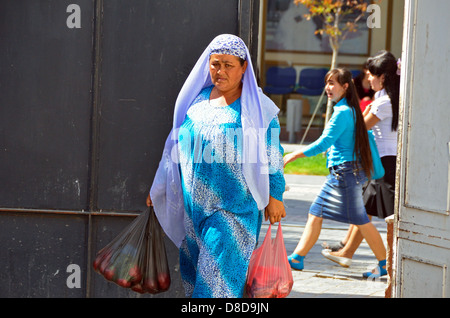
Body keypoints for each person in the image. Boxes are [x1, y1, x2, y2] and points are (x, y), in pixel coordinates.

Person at [146, 34, 286, 298]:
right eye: (215, 64)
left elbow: (273, 153)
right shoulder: (196, 102)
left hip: (233, 211)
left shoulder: (259, 108)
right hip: (193, 211)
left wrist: (275, 194)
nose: (220, 71)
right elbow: (175, 146)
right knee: (195, 282)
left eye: (228, 65)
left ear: (244, 67)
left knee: (214, 288)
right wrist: (161, 186)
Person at [283, 68, 387, 278]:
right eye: (327, 83)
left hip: (345, 174)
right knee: (316, 212)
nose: (328, 88)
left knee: (360, 220)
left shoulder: (342, 113)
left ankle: (385, 263)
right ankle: (298, 258)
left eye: (333, 83)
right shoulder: (348, 109)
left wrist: (295, 155)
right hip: (343, 173)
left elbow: (324, 143)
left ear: (345, 86)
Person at [321, 51, 400, 278]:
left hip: (385, 163)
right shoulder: (385, 98)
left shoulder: (384, 102)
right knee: (364, 210)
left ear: (383, 77)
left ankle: (388, 263)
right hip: (383, 162)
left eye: (372, 75)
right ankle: (348, 251)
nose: (368, 79)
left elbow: (359, 129)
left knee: (388, 218)